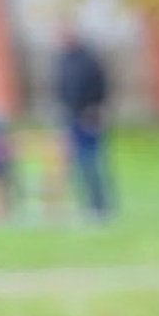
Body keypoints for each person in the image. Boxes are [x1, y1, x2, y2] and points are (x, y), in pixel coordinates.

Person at [53, 33, 112, 218]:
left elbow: (100, 86)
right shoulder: (63, 61)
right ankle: (85, 204)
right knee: (75, 163)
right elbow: (61, 88)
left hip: (89, 117)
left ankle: (100, 205)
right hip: (70, 117)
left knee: (91, 161)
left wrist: (94, 110)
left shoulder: (89, 60)